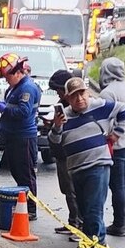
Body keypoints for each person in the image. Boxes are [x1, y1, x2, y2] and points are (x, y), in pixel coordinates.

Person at [48, 76, 125, 248]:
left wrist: (117, 134)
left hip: (98, 164)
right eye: (74, 96)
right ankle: (99, 240)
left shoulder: (99, 105)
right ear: (67, 98)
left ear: (87, 92)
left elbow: (124, 109)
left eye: (82, 93)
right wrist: (57, 126)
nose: (79, 99)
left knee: (93, 207)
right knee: (85, 208)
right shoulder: (65, 115)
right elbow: (54, 141)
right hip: (76, 168)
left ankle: (92, 242)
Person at [0, 52, 42, 220]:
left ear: (17, 72)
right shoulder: (16, 87)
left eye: (7, 77)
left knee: (26, 174)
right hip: (14, 137)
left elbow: (23, 112)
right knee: (17, 172)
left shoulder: (27, 88)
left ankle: (30, 208)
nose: (6, 80)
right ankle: (23, 203)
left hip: (23, 138)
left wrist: (5, 108)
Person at [98, 57, 125, 236]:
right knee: (123, 181)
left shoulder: (108, 93)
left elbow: (105, 121)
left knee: (116, 184)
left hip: (117, 143)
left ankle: (119, 224)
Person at [47, 69, 81, 235]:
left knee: (73, 191)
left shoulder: (75, 106)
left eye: (59, 90)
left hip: (70, 153)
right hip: (61, 152)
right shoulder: (62, 105)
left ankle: (77, 224)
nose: (59, 94)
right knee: (67, 190)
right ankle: (72, 221)